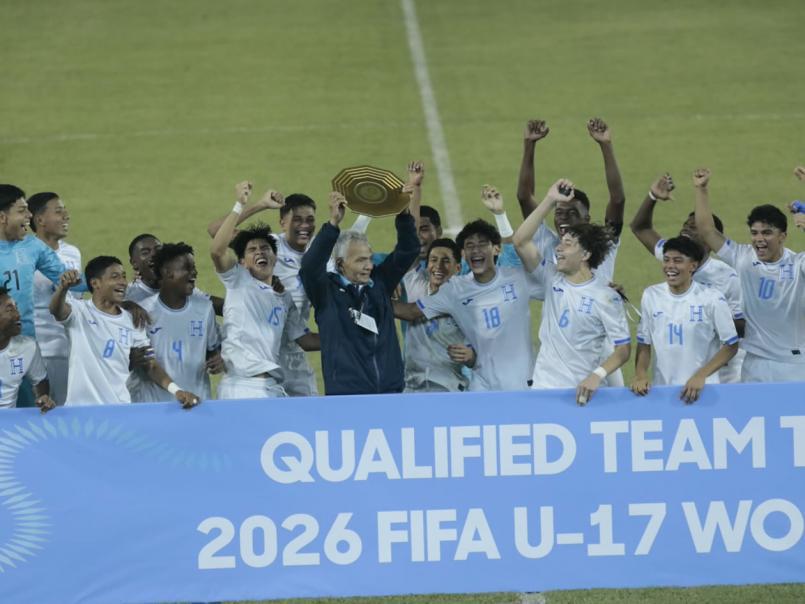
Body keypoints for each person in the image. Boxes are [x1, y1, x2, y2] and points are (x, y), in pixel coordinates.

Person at [516, 118, 628, 386]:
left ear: (588, 217)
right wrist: (529, 146)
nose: (563, 219)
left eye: (572, 213)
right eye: (560, 213)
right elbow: (524, 197)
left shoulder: (604, 241)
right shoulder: (551, 246)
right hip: (562, 342)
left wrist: (606, 146)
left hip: (602, 339)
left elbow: (618, 200)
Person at [394, 186, 540, 392]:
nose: (476, 250)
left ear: (495, 249)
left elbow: (514, 247)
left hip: (520, 384)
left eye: (482, 244)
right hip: (479, 387)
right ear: (463, 254)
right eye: (470, 246)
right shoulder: (454, 290)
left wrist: (500, 214)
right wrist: (370, 298)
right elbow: (410, 311)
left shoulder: (515, 277)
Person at [513, 179, 631, 404]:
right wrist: (550, 199)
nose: (558, 247)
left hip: (584, 391)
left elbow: (623, 349)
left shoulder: (606, 296)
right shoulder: (551, 278)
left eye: (567, 244)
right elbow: (520, 240)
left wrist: (597, 376)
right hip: (544, 388)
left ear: (585, 254)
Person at [300, 190, 419, 395]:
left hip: (390, 395)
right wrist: (332, 225)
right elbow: (309, 267)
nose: (369, 266)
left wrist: (403, 214)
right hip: (346, 398)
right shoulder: (326, 292)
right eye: (360, 260)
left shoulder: (380, 283)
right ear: (340, 264)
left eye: (370, 258)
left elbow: (409, 249)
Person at [629, 173, 745, 382]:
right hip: (677, 365)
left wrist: (700, 314)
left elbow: (740, 327)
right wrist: (652, 196)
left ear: (711, 240)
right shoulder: (674, 255)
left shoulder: (726, 277)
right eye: (686, 224)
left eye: (695, 228)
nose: (685, 229)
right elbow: (640, 227)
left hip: (722, 369)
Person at [694, 168, 805, 382]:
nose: (759, 239)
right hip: (755, 363)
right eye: (754, 233)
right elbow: (707, 231)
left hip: (795, 365)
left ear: (783, 236)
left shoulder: (798, 263)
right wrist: (701, 189)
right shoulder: (743, 257)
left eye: (767, 233)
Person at [210, 183, 319, 399]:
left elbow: (304, 340)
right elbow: (217, 247)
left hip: (274, 382)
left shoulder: (283, 296)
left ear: (274, 257)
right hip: (242, 385)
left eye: (264, 249)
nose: (260, 252)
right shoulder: (238, 279)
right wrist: (244, 204)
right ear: (242, 262)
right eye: (252, 250)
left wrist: (350, 337)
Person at [50, 259, 199, 407]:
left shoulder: (132, 320)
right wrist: (63, 288)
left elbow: (151, 365)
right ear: (96, 283)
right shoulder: (79, 311)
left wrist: (177, 391)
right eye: (115, 277)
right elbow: (56, 310)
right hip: (80, 410)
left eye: (123, 276)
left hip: (119, 409)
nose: (123, 282)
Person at [630, 237, 739, 403]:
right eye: (666, 260)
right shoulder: (651, 295)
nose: (670, 266)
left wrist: (701, 376)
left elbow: (731, 345)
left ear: (693, 266)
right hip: (663, 391)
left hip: (703, 391)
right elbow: (644, 343)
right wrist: (640, 374)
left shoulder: (712, 298)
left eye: (678, 261)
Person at [132, 243, 222, 402]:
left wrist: (219, 358)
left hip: (198, 402)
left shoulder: (205, 309)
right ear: (167, 273)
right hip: (156, 406)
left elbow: (212, 349)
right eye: (187, 267)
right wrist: (177, 391)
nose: (194, 272)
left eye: (194, 267)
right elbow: (148, 365)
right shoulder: (143, 312)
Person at [398, 238, 475, 392]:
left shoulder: (461, 299)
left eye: (446, 261)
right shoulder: (416, 284)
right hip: (410, 387)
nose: (438, 266)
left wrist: (471, 356)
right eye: (433, 260)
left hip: (446, 388)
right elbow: (409, 241)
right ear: (427, 266)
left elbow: (410, 312)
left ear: (458, 267)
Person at [28, 192, 82, 404]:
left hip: (71, 348)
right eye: (58, 211)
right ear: (39, 219)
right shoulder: (25, 254)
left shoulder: (73, 253)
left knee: (68, 409)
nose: (66, 216)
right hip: (39, 349)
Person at [127, 233, 224, 315]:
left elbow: (218, 306)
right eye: (145, 252)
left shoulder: (181, 288)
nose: (154, 255)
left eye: (158, 249)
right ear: (134, 263)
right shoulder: (128, 296)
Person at [0, 287, 55, 412]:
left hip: (8, 426)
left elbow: (40, 380)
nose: (18, 315)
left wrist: (43, 397)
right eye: (9, 309)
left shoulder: (27, 347)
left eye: (16, 308)